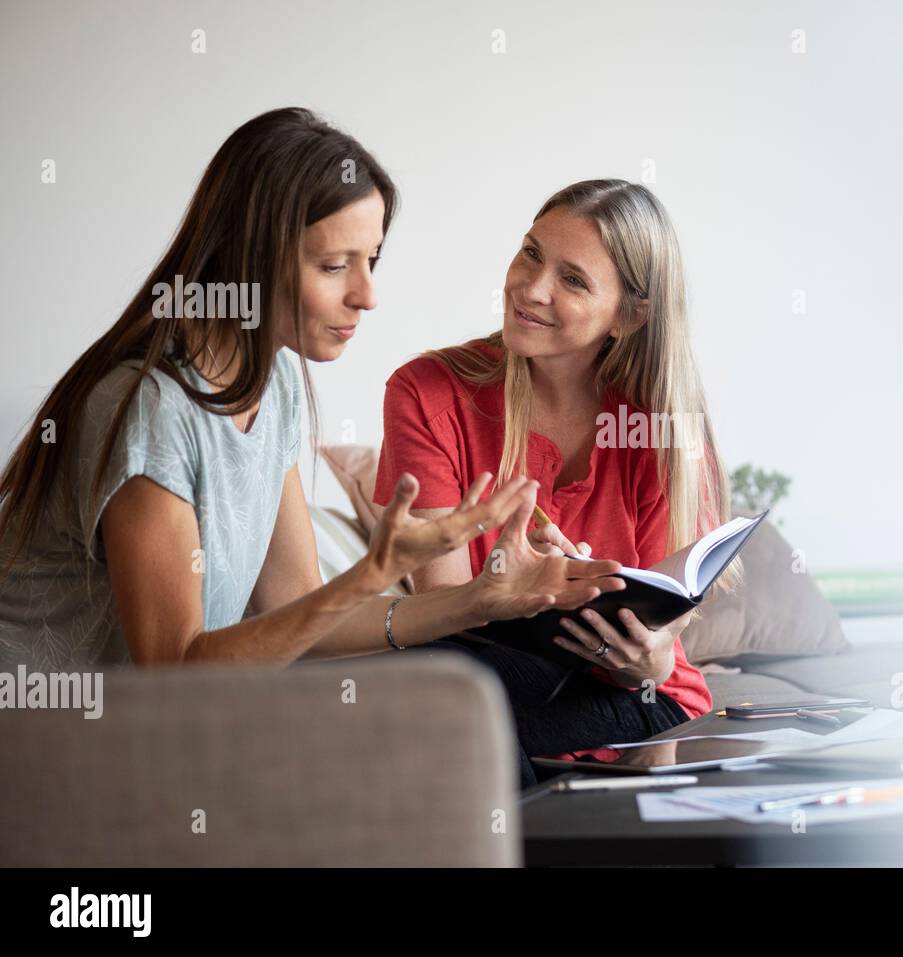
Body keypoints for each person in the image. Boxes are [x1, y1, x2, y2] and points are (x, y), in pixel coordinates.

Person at [0, 108, 624, 672]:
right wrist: (373, 574)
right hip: (47, 746)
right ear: (249, 256)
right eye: (333, 266)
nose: (366, 295)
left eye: (371, 261)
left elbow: (298, 611)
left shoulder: (271, 385)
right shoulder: (152, 410)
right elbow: (174, 671)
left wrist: (478, 601)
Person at [374, 179, 736, 787]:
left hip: (635, 694)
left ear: (629, 314)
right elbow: (440, 608)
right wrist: (511, 587)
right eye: (531, 253)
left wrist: (645, 663)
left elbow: (657, 645)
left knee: (458, 709)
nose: (530, 288)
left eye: (573, 280)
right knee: (448, 681)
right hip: (481, 666)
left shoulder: (662, 433)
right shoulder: (426, 392)